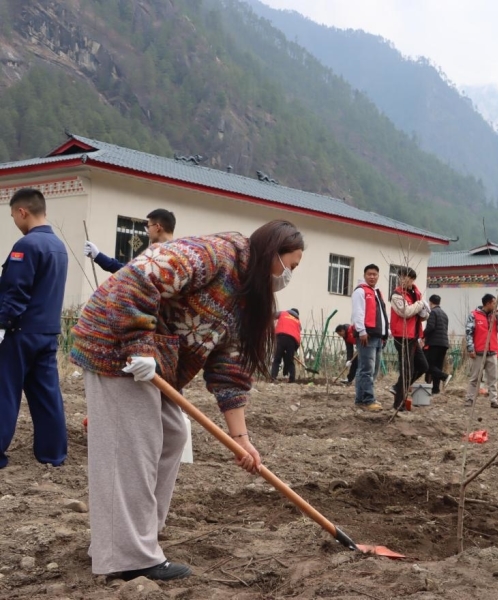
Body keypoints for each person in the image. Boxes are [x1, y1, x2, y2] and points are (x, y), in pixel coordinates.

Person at [69, 219, 304, 581]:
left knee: (173, 434)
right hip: (115, 343)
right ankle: (129, 557)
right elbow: (138, 278)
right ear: (273, 253)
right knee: (133, 442)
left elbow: (230, 370)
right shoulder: (215, 255)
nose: (289, 276)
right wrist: (138, 345)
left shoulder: (245, 295)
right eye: (291, 266)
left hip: (154, 360)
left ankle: (136, 534)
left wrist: (241, 440)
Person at [0, 188, 69, 469]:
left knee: (5, 391)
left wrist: (2, 324)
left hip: (20, 332)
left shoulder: (26, 245)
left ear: (22, 212)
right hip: (47, 332)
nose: (15, 221)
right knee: (47, 394)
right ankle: (53, 453)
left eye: (13, 216)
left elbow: (16, 290)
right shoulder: (59, 246)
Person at [84, 208, 176, 273]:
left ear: (157, 227)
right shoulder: (180, 255)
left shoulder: (157, 256)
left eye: (148, 227)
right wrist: (98, 256)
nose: (147, 231)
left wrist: (98, 256)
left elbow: (129, 272)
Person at [390, 267, 429, 412]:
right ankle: (398, 403)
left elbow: (423, 315)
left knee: (423, 366)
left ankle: (398, 387)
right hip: (402, 336)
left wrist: (424, 312)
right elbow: (405, 312)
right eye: (402, 276)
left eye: (408, 277)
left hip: (414, 335)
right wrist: (420, 304)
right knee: (407, 370)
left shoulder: (416, 293)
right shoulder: (396, 295)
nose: (404, 280)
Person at [351, 264, 388, 411]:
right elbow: (358, 312)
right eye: (369, 274)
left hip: (377, 336)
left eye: (375, 274)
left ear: (378, 276)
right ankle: (368, 400)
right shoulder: (360, 291)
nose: (372, 277)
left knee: (372, 369)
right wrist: (361, 331)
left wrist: (385, 333)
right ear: (364, 275)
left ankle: (361, 399)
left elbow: (382, 315)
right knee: (367, 369)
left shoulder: (376, 293)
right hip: (367, 335)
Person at [465, 294, 498, 409]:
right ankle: (470, 399)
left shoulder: (494, 316)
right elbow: (469, 333)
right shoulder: (474, 315)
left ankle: (494, 400)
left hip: (492, 351)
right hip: (478, 352)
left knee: (493, 378)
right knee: (475, 378)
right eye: (494, 303)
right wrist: (470, 348)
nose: (495, 305)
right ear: (488, 303)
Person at [423, 294, 452, 394]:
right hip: (444, 344)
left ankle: (445, 376)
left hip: (434, 343)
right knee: (438, 366)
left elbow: (430, 327)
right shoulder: (444, 314)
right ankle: (435, 389)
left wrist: (422, 335)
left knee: (428, 365)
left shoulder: (433, 312)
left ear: (430, 302)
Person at [271, 308, 301, 383]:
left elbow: (272, 315)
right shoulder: (298, 321)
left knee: (277, 359)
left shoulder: (283, 313)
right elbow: (298, 332)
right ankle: (292, 379)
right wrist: (294, 349)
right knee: (290, 360)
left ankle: (273, 377)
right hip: (292, 341)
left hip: (280, 337)